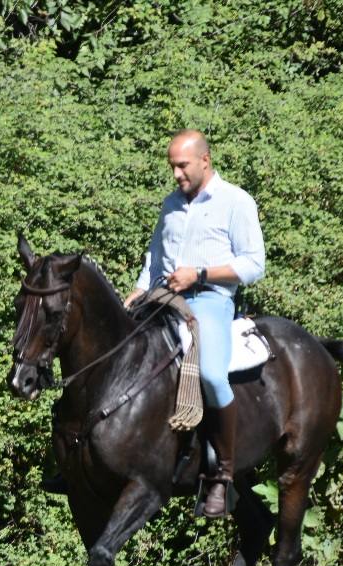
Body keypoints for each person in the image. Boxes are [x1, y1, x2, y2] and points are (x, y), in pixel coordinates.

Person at [124, 130, 266, 517]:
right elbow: (155, 256)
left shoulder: (236, 202)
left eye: (182, 165)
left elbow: (254, 264)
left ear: (205, 160)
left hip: (210, 302)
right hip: (160, 298)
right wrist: (137, 292)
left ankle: (222, 475)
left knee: (212, 375)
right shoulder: (170, 204)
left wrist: (199, 275)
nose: (176, 174)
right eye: (172, 166)